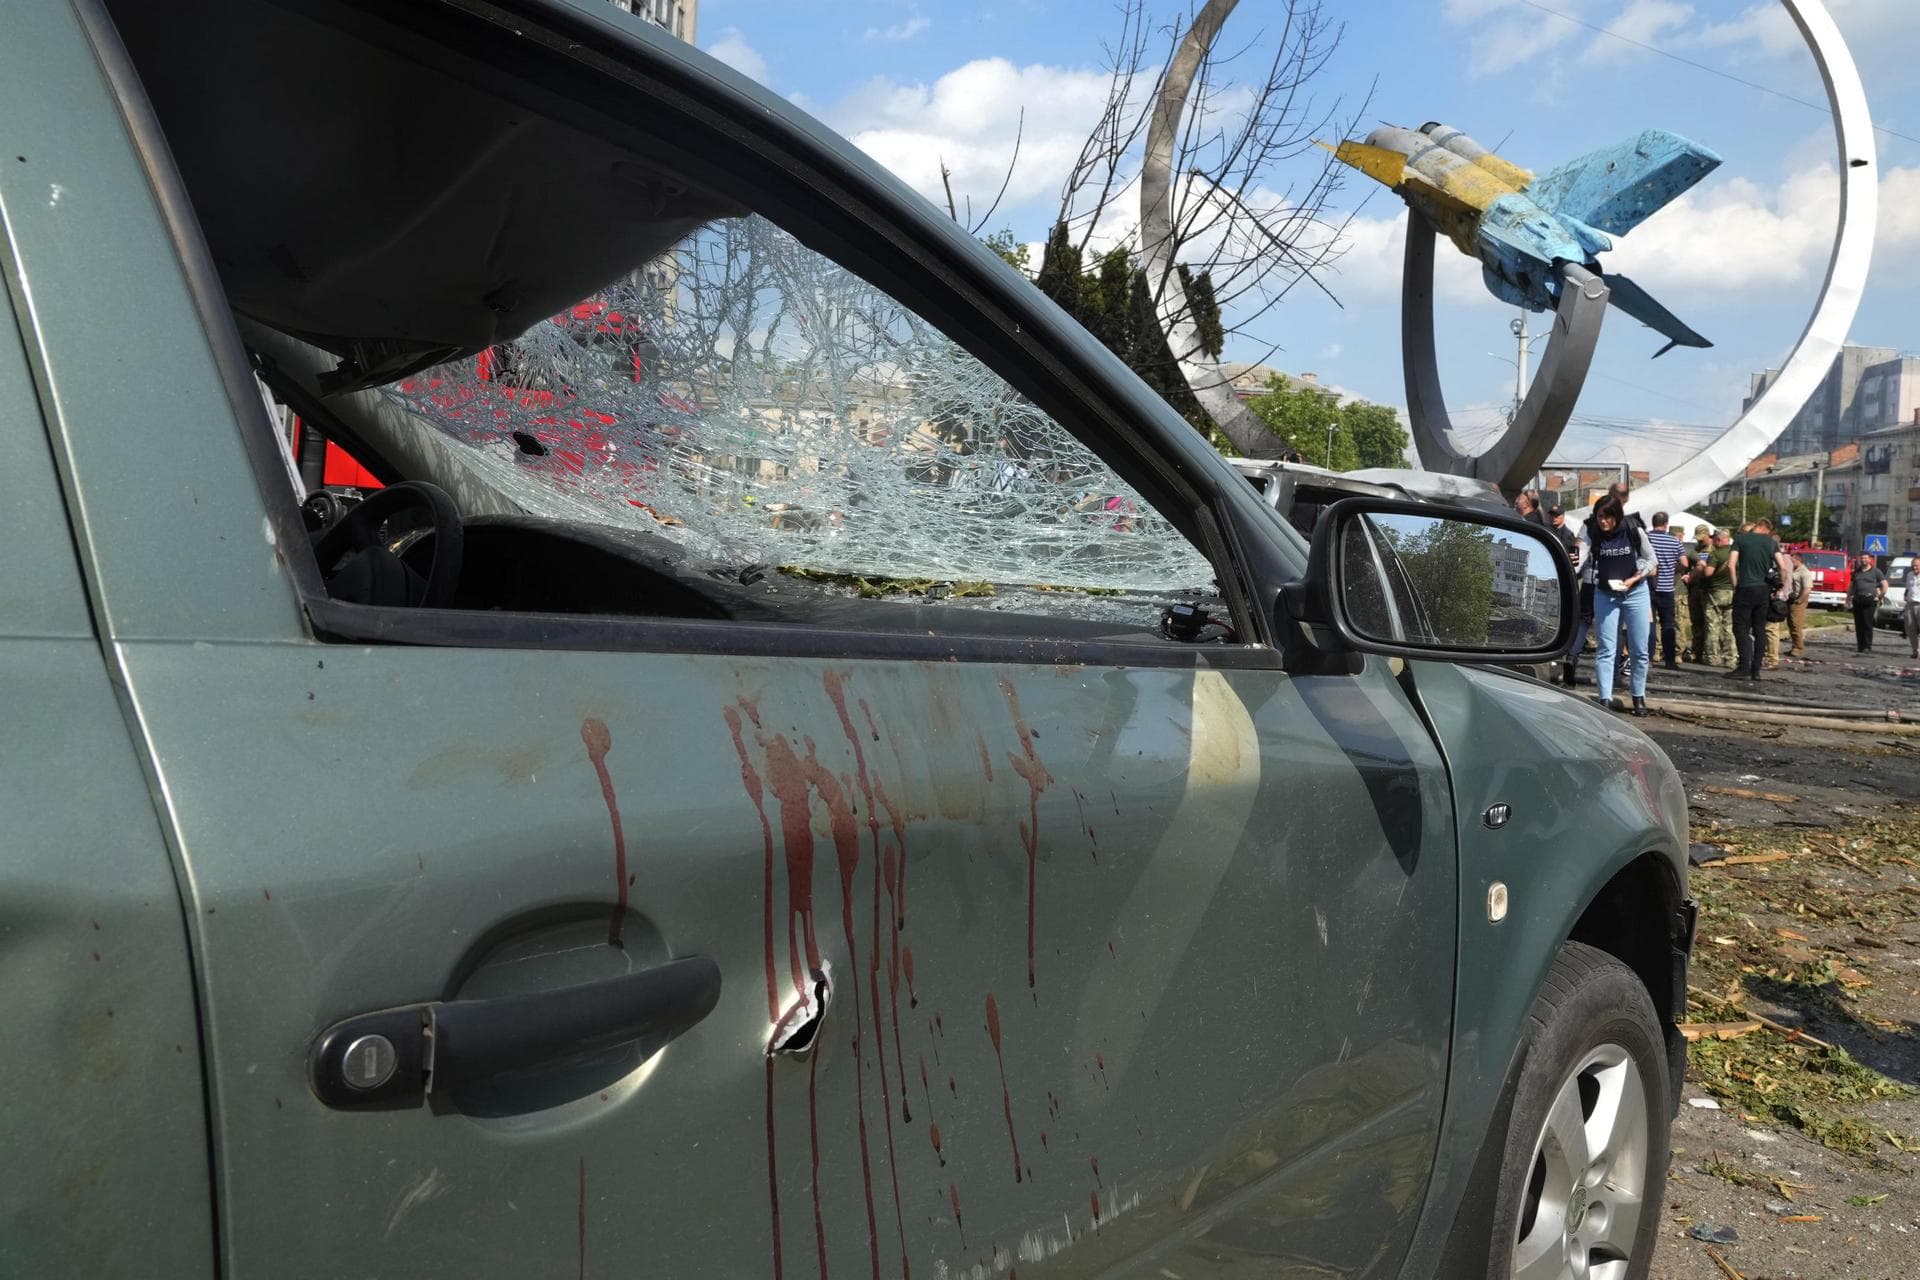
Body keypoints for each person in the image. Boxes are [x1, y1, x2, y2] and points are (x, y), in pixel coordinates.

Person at [1575, 493, 1655, 714]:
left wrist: (1635, 578)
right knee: (1606, 649)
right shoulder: (1591, 529)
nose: (1603, 521)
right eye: (1600, 516)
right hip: (1605, 593)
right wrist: (1570, 565)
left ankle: (1638, 697)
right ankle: (1605, 699)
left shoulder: (1632, 528)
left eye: (1608, 517)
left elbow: (1651, 559)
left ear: (1617, 516)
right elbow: (1579, 556)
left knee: (1639, 650)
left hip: (1636, 592)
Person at [1726, 517, 1782, 682]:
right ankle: (1756, 670)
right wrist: (1780, 586)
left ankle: (1744, 666)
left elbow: (1731, 564)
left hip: (1744, 588)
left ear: (1757, 526)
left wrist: (1735, 585)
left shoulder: (1740, 539)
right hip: (1763, 590)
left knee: (1741, 628)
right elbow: (1783, 566)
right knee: (1759, 629)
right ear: (1766, 528)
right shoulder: (1771, 542)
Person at [1645, 512, 1685, 670]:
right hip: (1667, 588)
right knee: (1668, 624)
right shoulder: (1674, 541)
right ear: (1666, 524)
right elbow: (1684, 563)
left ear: (1653, 523)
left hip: (1648, 587)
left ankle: (1647, 658)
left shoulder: (1647, 538)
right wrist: (1673, 570)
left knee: (1649, 623)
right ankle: (1670, 660)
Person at [1850, 553, 1888, 652]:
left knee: (1867, 624)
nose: (1863, 560)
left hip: (1870, 600)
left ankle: (1867, 646)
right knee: (1859, 624)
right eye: (1861, 558)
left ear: (1870, 559)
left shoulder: (1876, 571)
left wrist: (1880, 596)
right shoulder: (1856, 572)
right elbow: (1852, 586)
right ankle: (1860, 646)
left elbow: (1884, 584)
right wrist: (1847, 598)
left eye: (1865, 558)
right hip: (1857, 600)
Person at [1786, 551, 1813, 657]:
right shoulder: (1793, 570)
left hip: (1799, 600)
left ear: (1798, 560)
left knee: (1796, 624)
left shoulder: (1804, 572)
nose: (1790, 562)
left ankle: (1798, 648)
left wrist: (1800, 600)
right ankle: (1794, 646)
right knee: (1791, 624)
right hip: (1790, 599)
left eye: (1792, 560)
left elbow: (1807, 589)